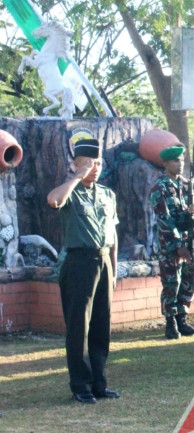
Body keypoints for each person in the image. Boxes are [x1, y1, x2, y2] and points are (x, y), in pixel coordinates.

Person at [47, 138, 119, 404]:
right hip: (79, 263)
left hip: (103, 261)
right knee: (79, 327)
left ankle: (100, 383)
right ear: (76, 164)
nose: (95, 168)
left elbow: (112, 233)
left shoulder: (107, 195)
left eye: (98, 163)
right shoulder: (71, 192)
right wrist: (77, 177)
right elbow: (54, 201)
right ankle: (81, 385)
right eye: (89, 163)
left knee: (102, 325)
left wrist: (114, 268)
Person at [149, 145, 194, 338]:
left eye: (181, 160)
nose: (179, 164)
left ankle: (183, 320)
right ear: (165, 164)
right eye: (175, 161)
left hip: (189, 242)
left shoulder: (189, 185)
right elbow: (164, 220)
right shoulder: (159, 188)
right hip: (170, 246)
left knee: (188, 281)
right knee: (172, 283)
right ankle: (170, 322)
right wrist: (178, 244)